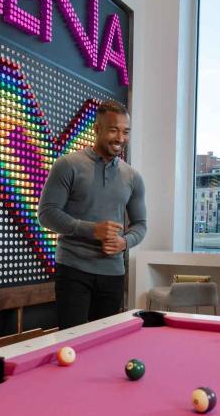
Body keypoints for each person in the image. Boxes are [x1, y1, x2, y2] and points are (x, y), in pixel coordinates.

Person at [38, 100, 147, 329]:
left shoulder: (133, 177)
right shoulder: (67, 165)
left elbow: (140, 225)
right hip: (73, 270)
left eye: (126, 131)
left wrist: (124, 242)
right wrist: (91, 230)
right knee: (72, 341)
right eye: (113, 129)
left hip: (113, 274)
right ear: (97, 129)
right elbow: (46, 214)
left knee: (106, 344)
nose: (120, 138)